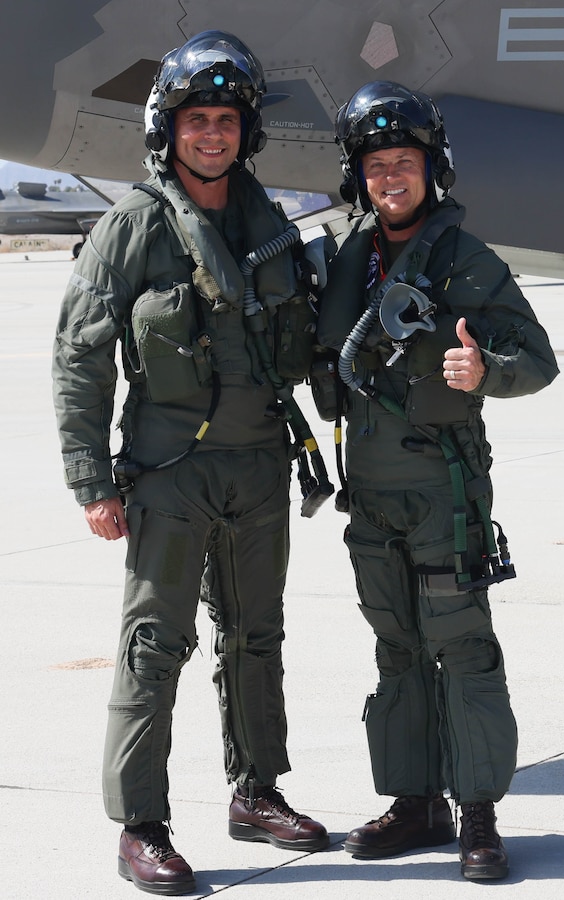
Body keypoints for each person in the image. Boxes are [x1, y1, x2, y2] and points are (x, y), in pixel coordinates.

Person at [52, 30, 329, 897]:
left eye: (227, 119)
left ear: (248, 131)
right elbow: (80, 357)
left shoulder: (269, 223)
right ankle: (141, 824)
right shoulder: (132, 226)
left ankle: (257, 792)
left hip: (259, 469)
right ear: (168, 129)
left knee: (258, 638)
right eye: (196, 119)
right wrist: (93, 483)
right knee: (153, 647)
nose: (212, 133)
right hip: (171, 473)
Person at [315, 81, 559, 881]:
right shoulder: (351, 254)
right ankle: (415, 801)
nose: (392, 177)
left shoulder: (466, 258)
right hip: (372, 495)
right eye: (377, 165)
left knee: (462, 649)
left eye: (405, 163)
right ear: (361, 176)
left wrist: (486, 369)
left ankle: (478, 813)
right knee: (396, 649)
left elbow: (539, 360)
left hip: (445, 496)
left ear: (432, 169)